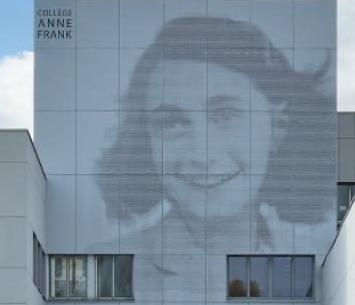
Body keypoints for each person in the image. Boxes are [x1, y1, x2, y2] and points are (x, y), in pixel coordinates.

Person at [93, 14, 336, 260]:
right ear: (146, 141)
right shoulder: (109, 264)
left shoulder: (322, 261)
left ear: (278, 128)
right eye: (171, 122)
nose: (203, 155)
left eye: (226, 115)